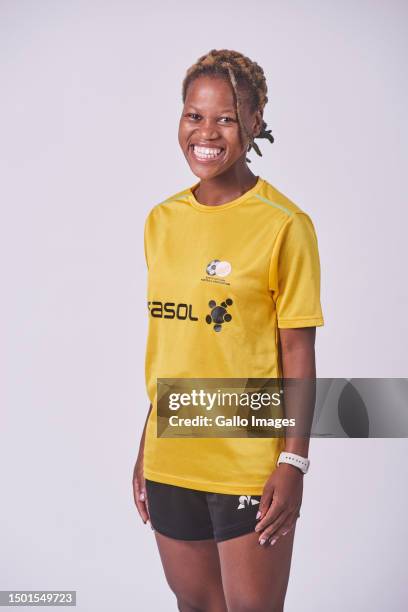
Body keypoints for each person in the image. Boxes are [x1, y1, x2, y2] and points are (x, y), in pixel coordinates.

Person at [133, 48, 324, 612]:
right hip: (172, 453)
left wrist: (294, 462)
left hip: (249, 461)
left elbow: (297, 350)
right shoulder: (161, 220)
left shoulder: (284, 225)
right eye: (194, 115)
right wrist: (147, 438)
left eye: (225, 118)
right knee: (194, 605)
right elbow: (176, 343)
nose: (206, 132)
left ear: (255, 122)